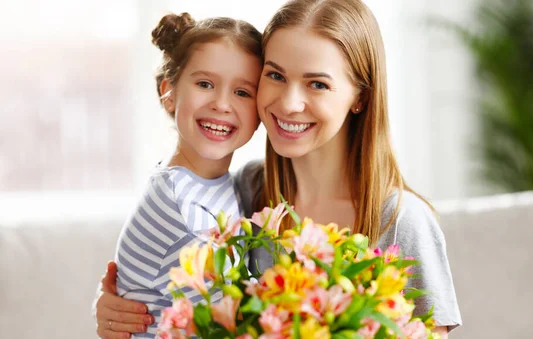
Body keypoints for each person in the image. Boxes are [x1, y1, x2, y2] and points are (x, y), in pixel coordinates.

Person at [94, 1, 462, 337]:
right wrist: (116, 306)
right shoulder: (247, 190)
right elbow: (161, 290)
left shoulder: (399, 220)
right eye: (275, 76)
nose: (289, 103)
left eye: (317, 84)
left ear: (360, 98)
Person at [97, 12, 263, 339]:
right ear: (169, 92)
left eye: (242, 92)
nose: (222, 104)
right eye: (205, 84)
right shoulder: (182, 210)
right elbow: (232, 328)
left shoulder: (205, 183)